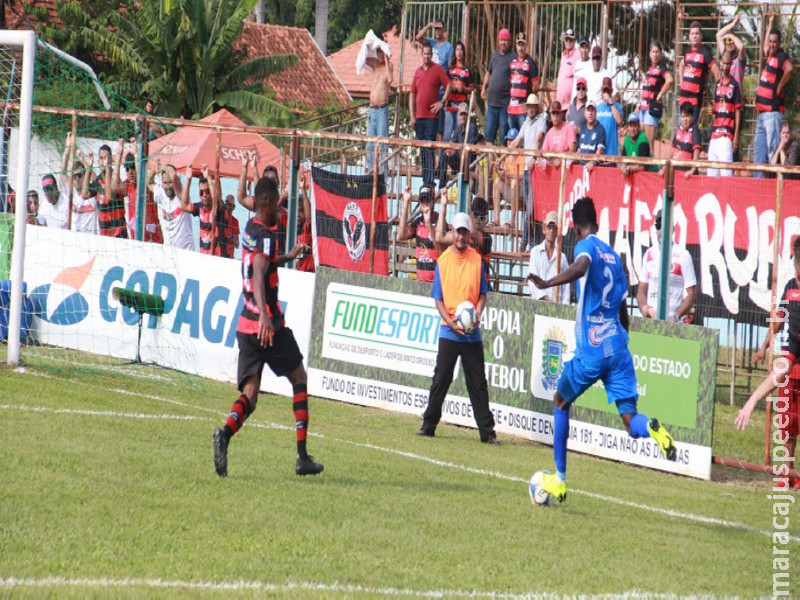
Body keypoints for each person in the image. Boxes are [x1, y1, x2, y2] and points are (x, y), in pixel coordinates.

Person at [529, 196, 677, 503]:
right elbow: (623, 309)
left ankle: (559, 480)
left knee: (559, 402)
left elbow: (580, 268)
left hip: (593, 347)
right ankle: (651, 428)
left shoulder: (586, 249)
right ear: (596, 221)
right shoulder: (615, 256)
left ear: (576, 226)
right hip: (618, 348)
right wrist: (622, 339)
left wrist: (547, 284)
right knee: (630, 420)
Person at [213, 175, 320, 478]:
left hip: (244, 325)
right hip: (267, 325)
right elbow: (259, 273)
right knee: (299, 378)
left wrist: (288, 256)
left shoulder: (251, 228)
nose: (282, 207)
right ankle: (302, 458)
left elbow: (263, 262)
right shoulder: (269, 234)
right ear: (268, 202)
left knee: (250, 395)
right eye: (280, 202)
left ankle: (224, 435)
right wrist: (264, 315)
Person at [417, 210, 499, 445]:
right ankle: (428, 425)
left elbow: (483, 294)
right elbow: (438, 299)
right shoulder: (442, 262)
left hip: (472, 333)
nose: (461, 236)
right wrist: (451, 322)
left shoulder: (477, 260)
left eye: (465, 232)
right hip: (449, 329)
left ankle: (487, 432)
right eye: (458, 231)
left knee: (478, 383)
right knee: (441, 378)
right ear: (452, 232)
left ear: (469, 234)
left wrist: (479, 313)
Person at [735, 235, 800, 489]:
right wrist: (763, 347)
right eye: (795, 260)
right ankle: (788, 474)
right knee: (788, 423)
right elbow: (777, 321)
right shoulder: (790, 291)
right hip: (790, 365)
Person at [637, 209, 697, 322]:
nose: (661, 230)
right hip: (650, 322)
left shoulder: (683, 255)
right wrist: (644, 308)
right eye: (658, 226)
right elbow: (641, 291)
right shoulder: (649, 254)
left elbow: (692, 294)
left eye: (664, 225)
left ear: (672, 229)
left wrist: (675, 316)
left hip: (672, 324)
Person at [753, 15, 794, 177]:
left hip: (773, 112)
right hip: (762, 113)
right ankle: (758, 187)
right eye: (770, 41)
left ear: (779, 43)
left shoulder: (781, 56)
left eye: (774, 42)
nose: (771, 44)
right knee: (759, 152)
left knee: (773, 151)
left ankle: (775, 188)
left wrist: (779, 87)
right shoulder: (769, 55)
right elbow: (764, 46)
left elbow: (790, 69)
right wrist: (769, 23)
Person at [508, 93, 547, 250]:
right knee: (530, 207)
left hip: (536, 169)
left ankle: (526, 241)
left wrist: (533, 158)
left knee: (532, 207)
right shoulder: (526, 123)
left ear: (536, 108)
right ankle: (529, 241)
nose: (531, 109)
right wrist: (505, 153)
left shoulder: (541, 121)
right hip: (526, 169)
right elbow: (516, 141)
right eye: (529, 107)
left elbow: (538, 140)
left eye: (533, 107)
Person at [410, 42, 451, 185]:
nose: (426, 56)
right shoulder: (417, 72)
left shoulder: (438, 69)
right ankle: (425, 180)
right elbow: (412, 94)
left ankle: (429, 180)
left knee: (429, 147)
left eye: (429, 53)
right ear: (421, 55)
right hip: (419, 117)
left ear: (431, 55)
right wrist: (412, 115)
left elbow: (449, 85)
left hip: (432, 117)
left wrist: (442, 102)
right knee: (423, 149)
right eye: (424, 53)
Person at [112, 138, 162, 243]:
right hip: (137, 240)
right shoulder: (128, 185)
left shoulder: (146, 183)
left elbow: (142, 181)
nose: (130, 172)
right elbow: (114, 186)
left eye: (133, 168)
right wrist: (119, 155)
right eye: (127, 169)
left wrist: (136, 155)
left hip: (153, 239)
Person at [396, 183, 446, 283]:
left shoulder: (440, 221)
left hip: (437, 283)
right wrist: (405, 202)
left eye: (427, 200)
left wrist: (429, 225)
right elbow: (400, 235)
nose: (425, 204)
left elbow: (441, 252)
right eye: (422, 201)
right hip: (421, 282)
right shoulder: (418, 222)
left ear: (434, 202)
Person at [439, 41, 474, 177]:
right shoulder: (450, 69)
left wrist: (462, 89)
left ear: (463, 53)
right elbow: (446, 85)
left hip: (461, 107)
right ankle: (442, 165)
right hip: (450, 106)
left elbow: (471, 88)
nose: (459, 52)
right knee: (447, 136)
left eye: (461, 50)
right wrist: (451, 88)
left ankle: (460, 166)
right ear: (454, 53)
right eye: (457, 50)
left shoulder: (467, 70)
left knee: (460, 136)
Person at [416, 16, 454, 140]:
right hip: (429, 91)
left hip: (441, 92)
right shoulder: (431, 43)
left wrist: (445, 99)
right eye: (436, 29)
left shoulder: (448, 47)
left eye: (439, 29)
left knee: (439, 129)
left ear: (444, 30)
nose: (437, 31)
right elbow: (418, 38)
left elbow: (449, 70)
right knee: (427, 127)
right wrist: (428, 26)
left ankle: (437, 157)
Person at [708, 50, 743, 178]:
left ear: (732, 64)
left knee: (726, 175)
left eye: (728, 64)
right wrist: (712, 110)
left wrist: (736, 137)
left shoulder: (734, 85)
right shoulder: (717, 84)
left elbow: (738, 111)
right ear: (721, 63)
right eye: (724, 63)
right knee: (711, 175)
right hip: (714, 135)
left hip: (726, 136)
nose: (726, 67)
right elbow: (717, 108)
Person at [678, 21, 719, 126]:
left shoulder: (705, 52)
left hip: (694, 100)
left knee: (691, 130)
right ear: (689, 37)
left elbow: (717, 72)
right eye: (692, 34)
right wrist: (682, 82)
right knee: (682, 131)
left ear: (701, 36)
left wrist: (718, 95)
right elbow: (681, 65)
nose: (694, 36)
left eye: (697, 33)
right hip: (683, 99)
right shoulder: (688, 52)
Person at [526, 210, 570, 303]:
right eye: (549, 227)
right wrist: (546, 299)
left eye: (555, 228)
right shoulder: (535, 252)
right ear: (544, 229)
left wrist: (564, 308)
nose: (552, 231)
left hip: (557, 308)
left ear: (558, 231)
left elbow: (566, 289)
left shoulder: (562, 258)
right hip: (538, 303)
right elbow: (532, 282)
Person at [149, 161, 194, 250]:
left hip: (186, 252)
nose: (168, 186)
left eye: (170, 182)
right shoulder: (161, 193)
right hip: (168, 252)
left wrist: (163, 167)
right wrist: (154, 171)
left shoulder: (181, 195)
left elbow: (174, 178)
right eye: (165, 183)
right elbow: (149, 182)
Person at [482, 28, 515, 145]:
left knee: (503, 137)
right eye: (501, 40)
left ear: (510, 42)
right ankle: (491, 164)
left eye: (505, 40)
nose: (503, 43)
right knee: (489, 136)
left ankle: (502, 163)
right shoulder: (494, 55)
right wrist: (483, 88)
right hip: (492, 103)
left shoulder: (513, 56)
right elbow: (489, 72)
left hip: (505, 105)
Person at [439, 102, 482, 190]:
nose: (462, 117)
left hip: (469, 161)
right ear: (458, 116)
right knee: (445, 155)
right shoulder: (458, 128)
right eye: (461, 115)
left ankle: (452, 178)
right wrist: (450, 151)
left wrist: (457, 149)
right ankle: (442, 185)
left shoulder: (472, 127)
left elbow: (468, 147)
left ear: (468, 115)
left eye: (464, 115)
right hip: (459, 159)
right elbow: (454, 143)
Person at [639, 40, 673, 149]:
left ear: (661, 54)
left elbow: (670, 80)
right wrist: (638, 105)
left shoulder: (662, 68)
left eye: (657, 52)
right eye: (653, 51)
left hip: (652, 108)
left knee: (649, 144)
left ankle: (651, 166)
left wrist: (659, 95)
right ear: (649, 53)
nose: (655, 54)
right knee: (641, 141)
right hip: (643, 108)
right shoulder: (649, 70)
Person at [365, 46, 393, 173]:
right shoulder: (375, 65)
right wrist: (368, 45)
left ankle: (382, 176)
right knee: (370, 144)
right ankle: (371, 174)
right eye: (378, 53)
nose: (380, 55)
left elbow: (390, 79)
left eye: (382, 52)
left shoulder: (389, 66)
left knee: (382, 144)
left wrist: (386, 59)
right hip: (372, 110)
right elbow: (363, 58)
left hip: (382, 109)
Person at [180, 164, 220, 254]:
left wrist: (209, 178)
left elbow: (216, 200)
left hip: (216, 258)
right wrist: (188, 180)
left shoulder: (218, 207)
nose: (204, 195)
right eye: (202, 192)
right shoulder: (200, 207)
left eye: (207, 191)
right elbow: (184, 205)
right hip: (203, 256)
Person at [491, 128, 525, 229]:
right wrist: (500, 173)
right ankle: (496, 219)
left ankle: (512, 221)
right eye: (508, 140)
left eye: (512, 140)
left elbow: (522, 176)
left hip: (522, 192)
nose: (509, 142)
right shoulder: (506, 156)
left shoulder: (523, 154)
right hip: (511, 190)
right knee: (497, 182)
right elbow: (505, 177)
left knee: (514, 182)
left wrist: (509, 175)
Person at [91, 147, 127, 238]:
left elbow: (109, 197)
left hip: (119, 235)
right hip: (104, 236)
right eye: (101, 158)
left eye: (106, 158)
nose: (103, 161)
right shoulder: (98, 180)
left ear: (111, 160)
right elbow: (84, 194)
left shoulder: (116, 178)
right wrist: (88, 168)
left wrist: (107, 169)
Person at [507, 32, 539, 132]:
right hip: (511, 109)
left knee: (523, 139)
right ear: (516, 46)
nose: (521, 48)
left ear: (526, 46)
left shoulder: (531, 63)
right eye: (519, 44)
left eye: (523, 45)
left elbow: (536, 86)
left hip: (523, 110)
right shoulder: (512, 62)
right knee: (512, 138)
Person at [663, 102, 701, 179]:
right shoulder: (678, 130)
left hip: (687, 175)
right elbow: (671, 151)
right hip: (675, 172)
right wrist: (664, 168)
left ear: (692, 117)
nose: (685, 119)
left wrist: (692, 170)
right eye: (683, 116)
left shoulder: (695, 131)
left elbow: (696, 150)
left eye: (688, 116)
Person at [538, 101, 577, 172]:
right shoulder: (549, 133)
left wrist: (560, 160)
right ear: (551, 115)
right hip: (553, 170)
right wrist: (542, 160)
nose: (555, 116)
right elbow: (544, 153)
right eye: (553, 114)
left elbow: (572, 150)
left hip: (567, 169)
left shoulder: (569, 128)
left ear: (561, 114)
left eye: (557, 113)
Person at [716, 15, 747, 88]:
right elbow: (718, 35)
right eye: (727, 41)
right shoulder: (725, 55)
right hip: (724, 93)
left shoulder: (739, 60)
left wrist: (730, 36)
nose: (729, 44)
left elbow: (741, 47)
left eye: (732, 41)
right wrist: (733, 24)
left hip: (736, 95)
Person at [595, 78, 623, 156]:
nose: (606, 93)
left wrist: (610, 102)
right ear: (601, 91)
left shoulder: (617, 106)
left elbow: (619, 121)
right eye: (604, 90)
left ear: (611, 91)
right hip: (599, 152)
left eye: (608, 90)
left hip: (611, 152)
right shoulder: (597, 108)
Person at [620, 112, 653, 177]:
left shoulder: (643, 140)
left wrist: (629, 169)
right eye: (630, 126)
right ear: (628, 127)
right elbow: (623, 158)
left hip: (651, 174)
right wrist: (623, 167)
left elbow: (643, 166)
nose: (632, 129)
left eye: (634, 125)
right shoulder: (627, 138)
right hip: (635, 174)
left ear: (639, 126)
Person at [577, 98, 606, 171]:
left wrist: (592, 162)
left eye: (592, 110)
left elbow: (600, 150)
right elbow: (579, 150)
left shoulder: (600, 129)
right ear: (585, 112)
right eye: (588, 110)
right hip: (581, 168)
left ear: (596, 112)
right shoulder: (583, 128)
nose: (590, 113)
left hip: (594, 169)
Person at [294, 171, 314, 272]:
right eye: (296, 211)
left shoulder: (307, 228)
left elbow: (309, 217)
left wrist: (303, 190)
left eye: (301, 211)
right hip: (296, 272)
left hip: (309, 272)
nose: (298, 214)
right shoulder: (291, 231)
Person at [555, 28, 578, 107]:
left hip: (570, 104)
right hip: (560, 102)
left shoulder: (577, 55)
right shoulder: (563, 55)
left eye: (570, 40)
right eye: (567, 39)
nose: (568, 42)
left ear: (574, 41)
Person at [216, 194, 240, 259]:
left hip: (229, 256)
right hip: (219, 255)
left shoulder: (235, 221)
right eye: (226, 203)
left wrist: (233, 237)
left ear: (233, 207)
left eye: (230, 204)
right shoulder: (220, 218)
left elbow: (237, 245)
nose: (227, 206)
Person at [571, 37, 592, 101]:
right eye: (582, 47)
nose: (584, 50)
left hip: (588, 101)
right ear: (579, 49)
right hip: (576, 102)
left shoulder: (592, 64)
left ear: (589, 49)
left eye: (586, 47)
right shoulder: (576, 64)